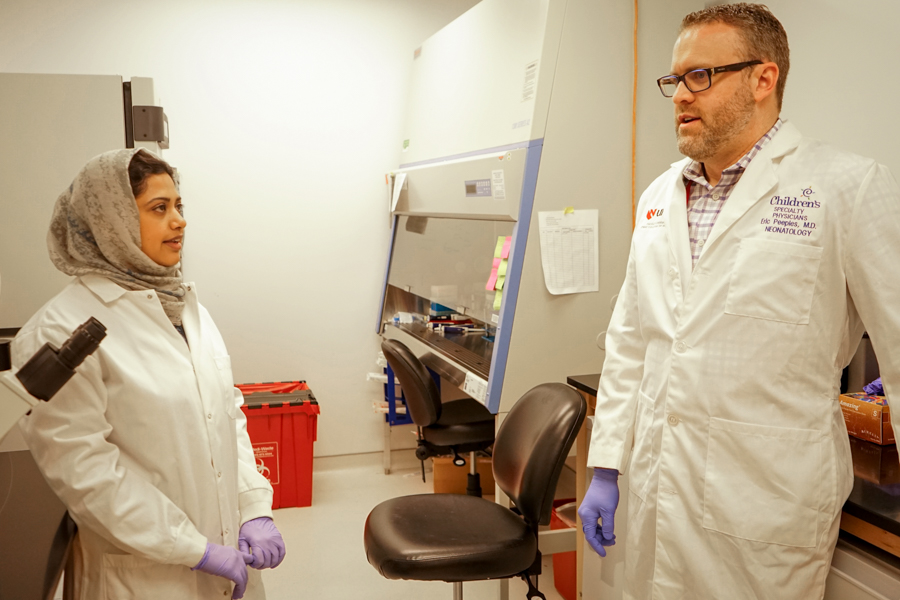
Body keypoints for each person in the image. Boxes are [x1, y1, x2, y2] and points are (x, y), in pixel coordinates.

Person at [578, 3, 900, 598]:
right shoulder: (660, 194)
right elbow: (631, 340)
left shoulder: (844, 186)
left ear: (763, 79)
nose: (679, 95)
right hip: (658, 490)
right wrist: (606, 464)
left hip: (765, 505)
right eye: (674, 80)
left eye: (700, 76)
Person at [13, 149, 286, 599]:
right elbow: (87, 474)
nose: (179, 221)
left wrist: (253, 505)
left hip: (227, 563)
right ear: (111, 221)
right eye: (159, 209)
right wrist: (194, 549)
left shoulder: (182, 305)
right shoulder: (59, 332)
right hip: (144, 577)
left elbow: (225, 414)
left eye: (179, 206)